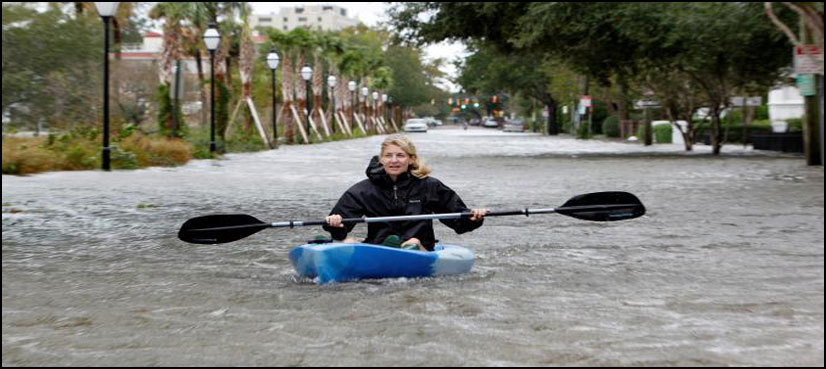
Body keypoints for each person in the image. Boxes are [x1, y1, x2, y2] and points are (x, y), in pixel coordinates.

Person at [324, 134, 487, 251]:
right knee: (346, 242)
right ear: (381, 159)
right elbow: (340, 229)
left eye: (400, 155)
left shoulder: (430, 186)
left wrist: (473, 218)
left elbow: (458, 220)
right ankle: (391, 249)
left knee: (413, 242)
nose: (394, 160)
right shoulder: (362, 190)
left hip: (419, 247)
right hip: (379, 249)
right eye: (388, 156)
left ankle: (408, 248)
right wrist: (336, 223)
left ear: (411, 159)